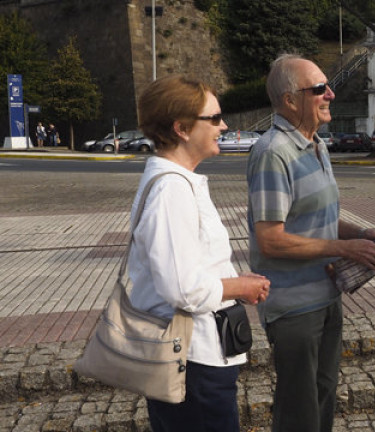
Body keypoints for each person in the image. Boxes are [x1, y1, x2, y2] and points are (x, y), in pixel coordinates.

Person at [246, 54, 375, 432]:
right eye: (319, 89)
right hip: (293, 307)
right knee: (300, 407)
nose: (330, 93)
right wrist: (346, 250)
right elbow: (270, 241)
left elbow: (319, 220)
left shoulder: (317, 146)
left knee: (324, 393)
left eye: (328, 86)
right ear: (290, 100)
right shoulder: (272, 152)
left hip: (327, 295)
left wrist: (361, 235)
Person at [131, 75, 271, 431]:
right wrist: (240, 287)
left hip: (194, 356)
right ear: (181, 128)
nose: (223, 126)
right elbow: (183, 288)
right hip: (190, 362)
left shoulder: (179, 182)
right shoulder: (172, 192)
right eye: (214, 118)